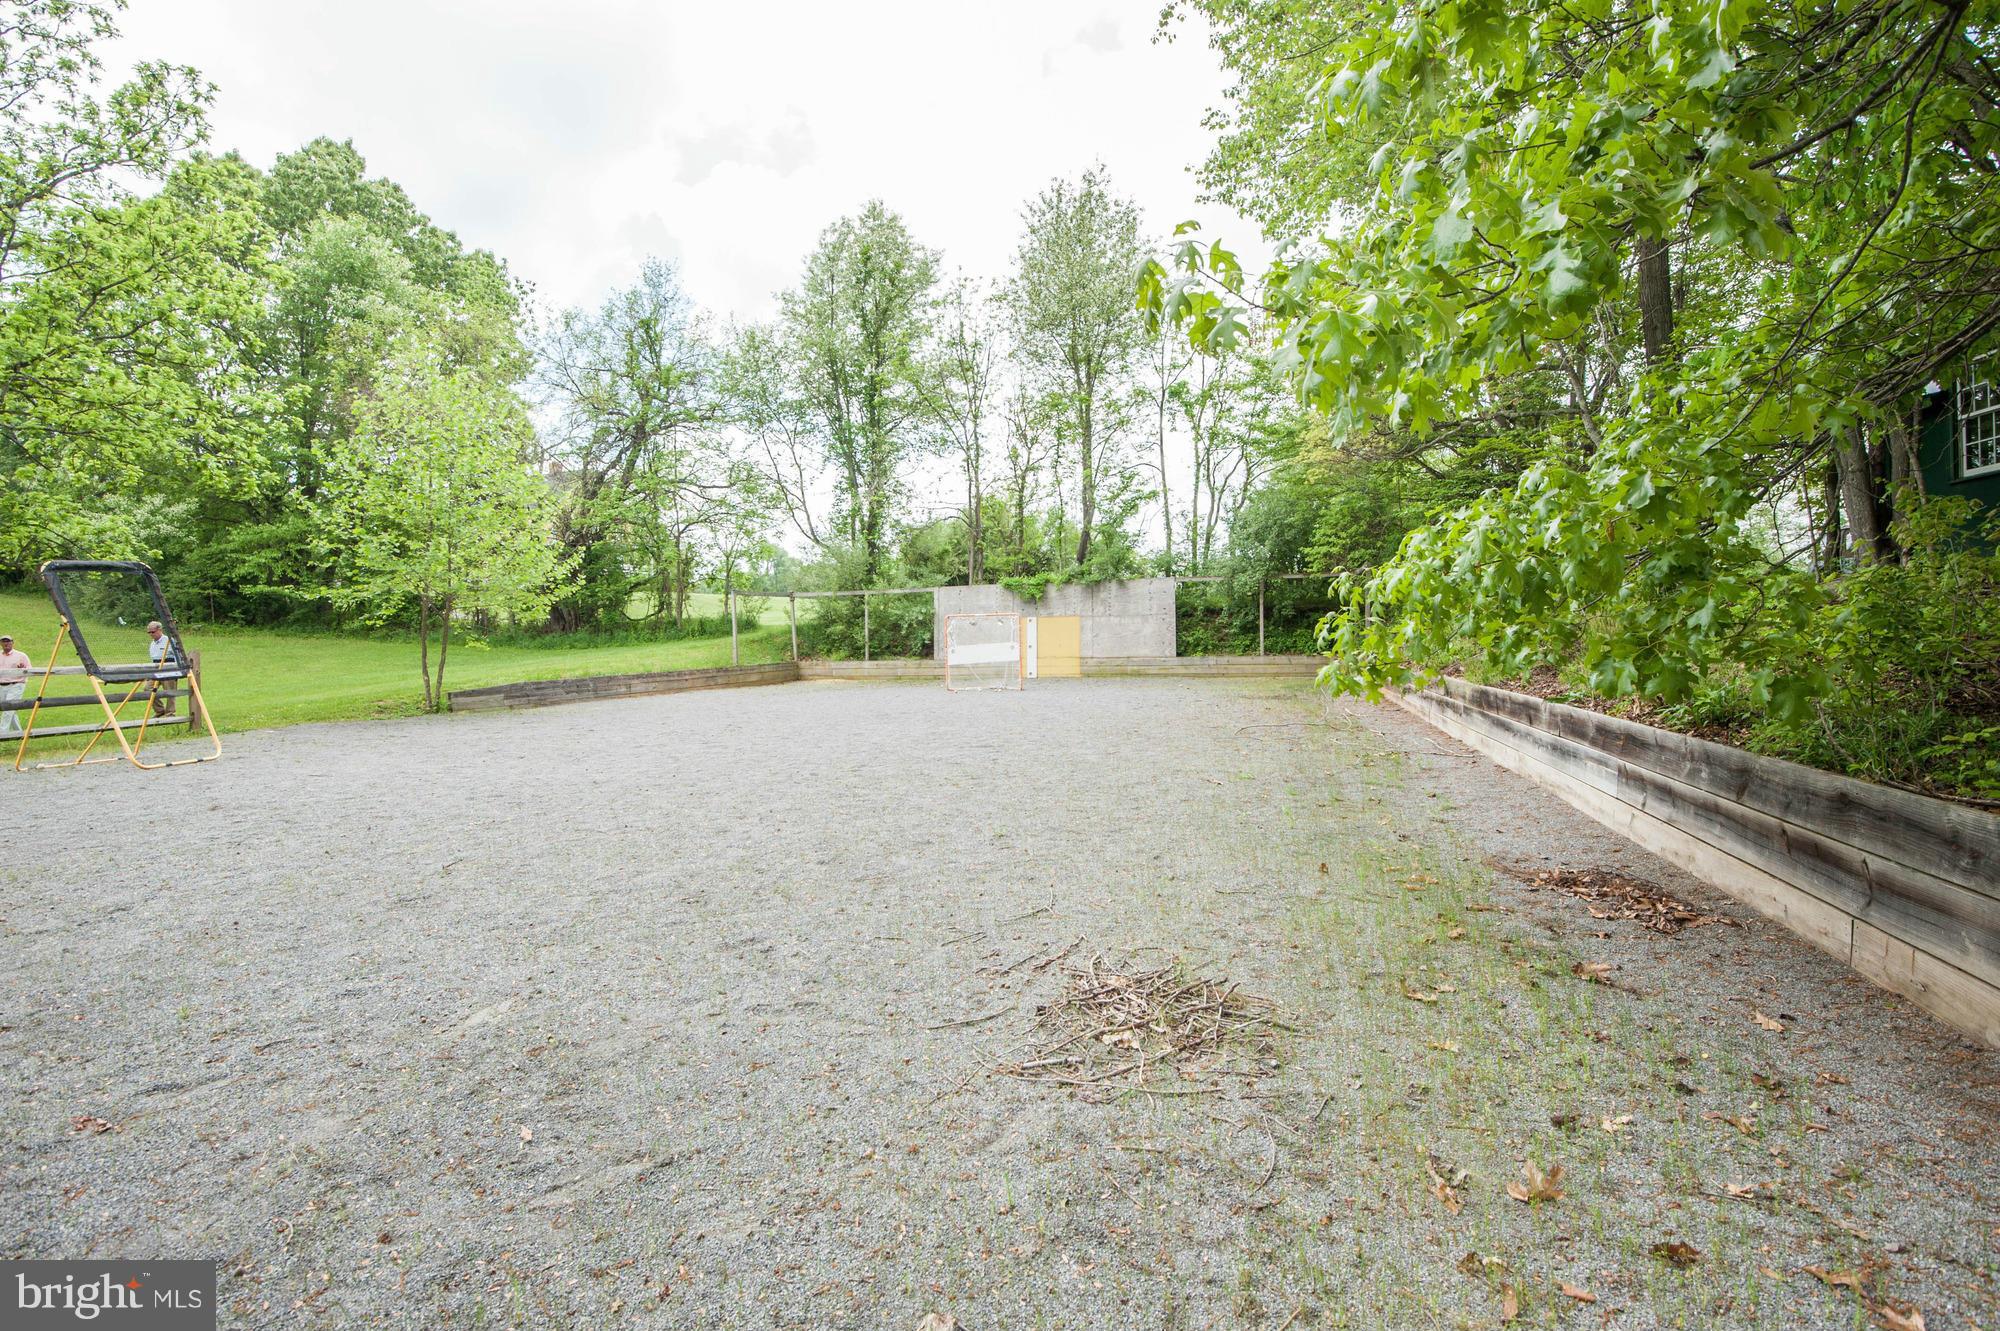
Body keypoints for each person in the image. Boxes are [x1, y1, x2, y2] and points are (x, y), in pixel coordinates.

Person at [0, 633, 29, 738]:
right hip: (2, 685)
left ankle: (2, 734)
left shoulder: (21, 655)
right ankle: (19, 734)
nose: (6, 643)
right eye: (3, 641)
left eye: (8, 641)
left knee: (8, 709)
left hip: (16, 684)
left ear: (12, 642)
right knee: (9, 709)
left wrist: (22, 670)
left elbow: (29, 670)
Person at [146, 620, 176, 718]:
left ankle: (170, 713)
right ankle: (160, 710)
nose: (151, 634)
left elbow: (178, 656)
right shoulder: (152, 644)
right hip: (156, 669)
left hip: (168, 669)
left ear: (160, 630)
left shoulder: (169, 641)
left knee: (169, 691)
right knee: (147, 689)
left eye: (153, 632)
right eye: (149, 632)